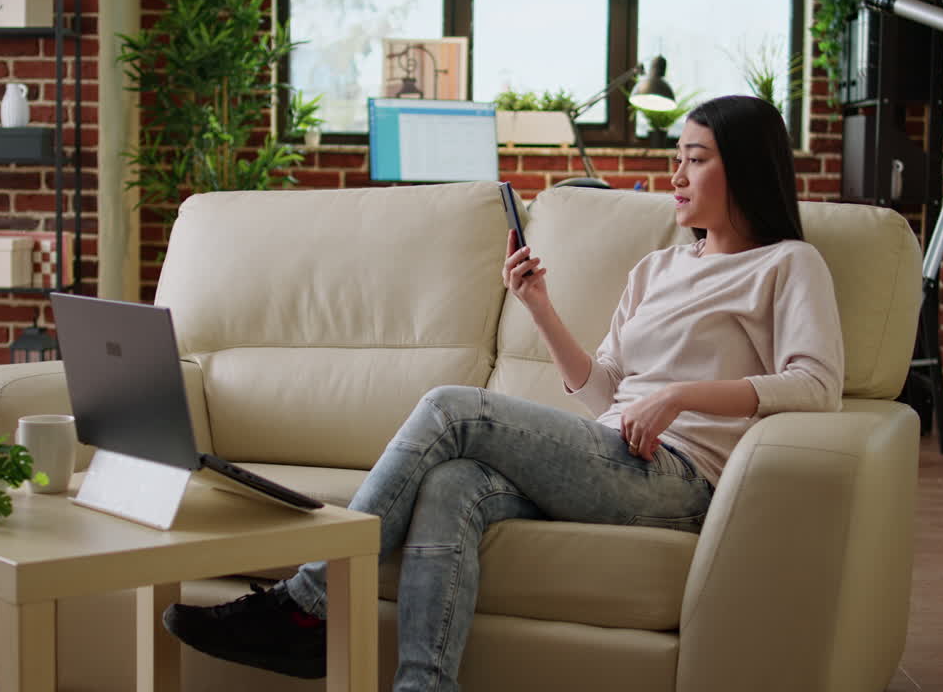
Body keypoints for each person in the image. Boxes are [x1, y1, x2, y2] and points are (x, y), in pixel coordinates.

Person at [160, 94, 845, 691]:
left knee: (449, 408)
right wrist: (539, 306)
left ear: (746, 168)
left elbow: (816, 387)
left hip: (679, 477)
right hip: (613, 454)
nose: (676, 173)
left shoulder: (787, 264)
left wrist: (680, 397)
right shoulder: (658, 268)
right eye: (679, 157)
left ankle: (308, 603)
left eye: (696, 158)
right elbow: (602, 386)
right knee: (453, 483)